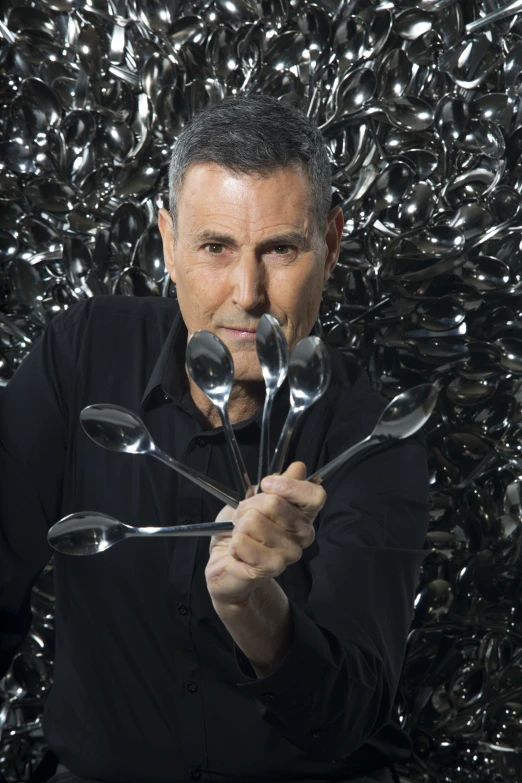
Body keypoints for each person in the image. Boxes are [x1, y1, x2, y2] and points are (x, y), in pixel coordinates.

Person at [0, 95, 430, 783]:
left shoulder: (369, 429)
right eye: (214, 246)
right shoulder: (81, 354)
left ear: (332, 243)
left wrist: (252, 606)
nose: (247, 291)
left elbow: (350, 713)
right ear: (168, 243)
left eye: (281, 249)